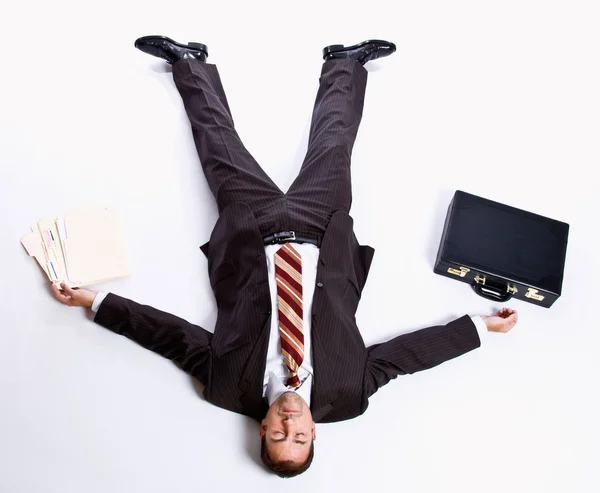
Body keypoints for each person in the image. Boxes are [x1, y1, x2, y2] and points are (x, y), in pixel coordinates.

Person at [51, 36, 519, 478]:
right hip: (322, 232)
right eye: (298, 436)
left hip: (251, 232)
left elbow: (168, 336)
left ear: (263, 430)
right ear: (315, 432)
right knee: (334, 146)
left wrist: (95, 302)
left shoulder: (225, 386)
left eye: (279, 435)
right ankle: (346, 62)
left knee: (217, 146)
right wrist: (480, 327)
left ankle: (187, 60)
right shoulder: (348, 394)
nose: (289, 424)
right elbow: (407, 356)